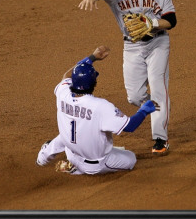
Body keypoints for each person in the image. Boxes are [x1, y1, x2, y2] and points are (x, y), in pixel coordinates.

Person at [78, 0, 177, 155]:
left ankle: (160, 138)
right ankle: (155, 106)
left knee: (158, 86)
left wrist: (152, 23)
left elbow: (171, 21)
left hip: (158, 43)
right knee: (135, 96)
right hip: (132, 46)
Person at [36, 46, 159, 175]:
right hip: (95, 165)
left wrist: (92, 57)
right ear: (94, 83)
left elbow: (66, 75)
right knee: (131, 158)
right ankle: (76, 170)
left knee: (66, 135)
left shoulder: (63, 92)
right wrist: (144, 110)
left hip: (71, 152)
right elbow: (129, 126)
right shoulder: (101, 106)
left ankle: (42, 158)